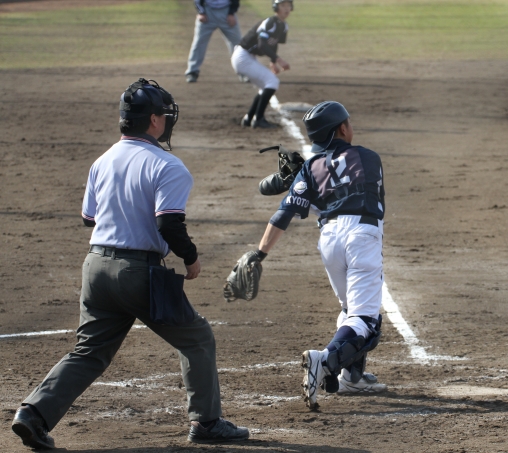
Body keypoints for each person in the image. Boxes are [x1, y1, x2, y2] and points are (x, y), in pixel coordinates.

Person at [10, 78, 249, 450]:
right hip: (138, 273)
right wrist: (191, 257)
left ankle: (33, 414)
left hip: (95, 269)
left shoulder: (102, 160)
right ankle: (206, 422)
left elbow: (89, 218)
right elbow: (168, 223)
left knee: (90, 351)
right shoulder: (167, 165)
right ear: (153, 120)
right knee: (197, 338)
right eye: (164, 115)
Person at [247, 101, 387, 410]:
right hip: (361, 236)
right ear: (342, 129)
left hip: (329, 238)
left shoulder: (311, 169)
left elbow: (284, 214)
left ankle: (352, 377)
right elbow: (352, 187)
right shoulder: (369, 157)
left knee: (351, 310)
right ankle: (324, 361)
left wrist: (259, 254)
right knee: (367, 322)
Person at [231, 0, 292, 129]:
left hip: (248, 57)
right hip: (242, 56)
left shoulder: (283, 25)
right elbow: (262, 44)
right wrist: (279, 60)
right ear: (276, 8)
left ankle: (249, 118)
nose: (286, 9)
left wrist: (273, 62)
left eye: (288, 5)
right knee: (272, 81)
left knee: (266, 85)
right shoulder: (270, 22)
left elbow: (273, 44)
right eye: (283, 5)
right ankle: (259, 119)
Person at [185, 0, 242, 83]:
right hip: (207, 12)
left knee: (238, 44)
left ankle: (243, 72)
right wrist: (201, 12)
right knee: (199, 43)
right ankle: (192, 71)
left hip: (226, 13)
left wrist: (231, 12)